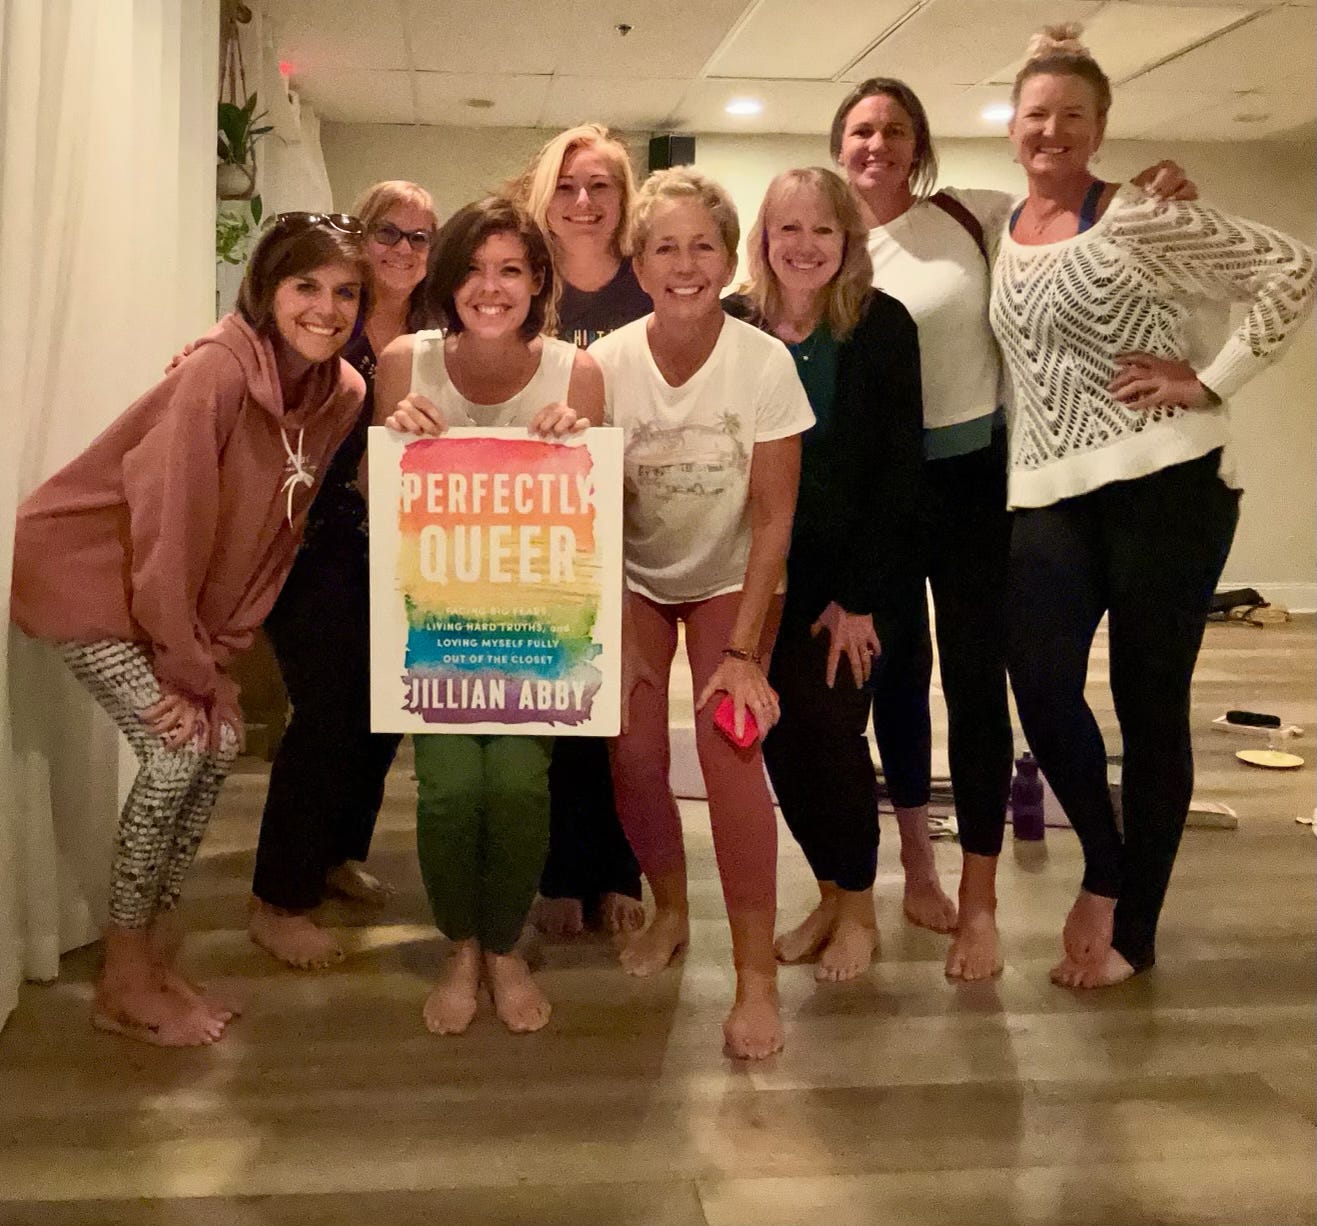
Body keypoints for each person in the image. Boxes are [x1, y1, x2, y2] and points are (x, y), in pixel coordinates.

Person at [830, 76, 1199, 979]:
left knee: (975, 683)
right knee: (895, 681)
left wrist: (1153, 191)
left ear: (919, 149)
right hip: (884, 492)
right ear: (838, 146)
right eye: (860, 132)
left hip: (972, 483)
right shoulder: (826, 246)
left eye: (893, 131)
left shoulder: (975, 213)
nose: (876, 145)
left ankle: (980, 904)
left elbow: (1071, 219)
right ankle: (914, 867)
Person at [990, 25, 1315, 988]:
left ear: (1099, 128)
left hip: (1164, 485)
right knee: (1039, 680)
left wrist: (1211, 379)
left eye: (1072, 117)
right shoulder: (1003, 228)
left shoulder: (1136, 213)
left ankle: (1135, 931)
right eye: (1036, 114)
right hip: (1049, 491)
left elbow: (1290, 267)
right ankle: (1105, 857)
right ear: (1011, 125)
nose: (1051, 131)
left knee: (1148, 704)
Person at [11, 214, 370, 1045]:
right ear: (266, 292)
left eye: (345, 292)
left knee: (213, 746)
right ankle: (123, 979)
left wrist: (221, 656)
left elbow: (277, 535)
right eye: (304, 287)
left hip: (167, 599)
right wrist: (184, 664)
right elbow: (169, 520)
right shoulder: (215, 373)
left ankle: (161, 958)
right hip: (88, 572)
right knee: (178, 750)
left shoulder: (343, 395)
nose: (325, 308)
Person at [589, 168, 815, 1059]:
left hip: (733, 579)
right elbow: (588, 505)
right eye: (663, 247)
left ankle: (755, 976)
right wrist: (611, 619)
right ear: (637, 264)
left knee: (729, 753)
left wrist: (748, 652)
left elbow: (773, 518)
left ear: (729, 259)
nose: (684, 264)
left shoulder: (762, 363)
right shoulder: (601, 366)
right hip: (637, 579)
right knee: (634, 748)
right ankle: (672, 907)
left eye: (702, 246)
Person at [371, 197, 605, 1034]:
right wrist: (392, 440)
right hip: (432, 626)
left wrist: (578, 444)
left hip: (535, 632)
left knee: (513, 783)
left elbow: (601, 514)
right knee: (445, 792)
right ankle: (460, 944)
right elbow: (373, 499)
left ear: (538, 280)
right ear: (448, 279)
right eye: (471, 267)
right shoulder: (406, 360)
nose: (489, 287)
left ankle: (502, 945)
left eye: (510, 268)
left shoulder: (575, 373)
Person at [724, 168, 924, 982]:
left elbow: (897, 472)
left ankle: (860, 909)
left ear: (847, 241)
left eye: (823, 231)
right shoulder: (732, 322)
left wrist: (860, 599)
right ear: (762, 241)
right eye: (787, 229)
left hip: (853, 583)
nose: (804, 246)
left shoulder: (881, 326)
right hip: (760, 578)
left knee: (832, 732)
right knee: (775, 737)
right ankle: (828, 892)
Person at [246, 181, 438, 969]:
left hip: (398, 546)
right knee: (330, 708)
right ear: (360, 236)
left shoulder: (435, 331)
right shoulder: (325, 317)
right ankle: (277, 896)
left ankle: (334, 855)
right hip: (307, 541)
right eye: (387, 231)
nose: (402, 248)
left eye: (420, 238)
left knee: (385, 707)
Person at [511, 124, 651, 938]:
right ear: (544, 198)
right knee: (559, 704)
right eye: (567, 186)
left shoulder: (646, 283)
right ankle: (563, 870)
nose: (583, 202)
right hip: (543, 526)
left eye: (600, 186)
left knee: (623, 715)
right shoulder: (524, 285)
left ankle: (619, 868)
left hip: (638, 522)